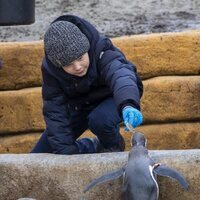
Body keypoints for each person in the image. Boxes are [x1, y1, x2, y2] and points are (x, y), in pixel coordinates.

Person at [31, 15, 143, 155]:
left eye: (80, 58)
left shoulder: (103, 52)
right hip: (81, 105)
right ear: (58, 65)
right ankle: (91, 146)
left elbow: (121, 75)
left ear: (87, 49)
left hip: (115, 98)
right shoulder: (51, 70)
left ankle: (113, 146)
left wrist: (128, 104)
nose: (77, 67)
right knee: (46, 151)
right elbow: (54, 109)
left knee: (100, 120)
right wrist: (66, 151)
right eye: (68, 64)